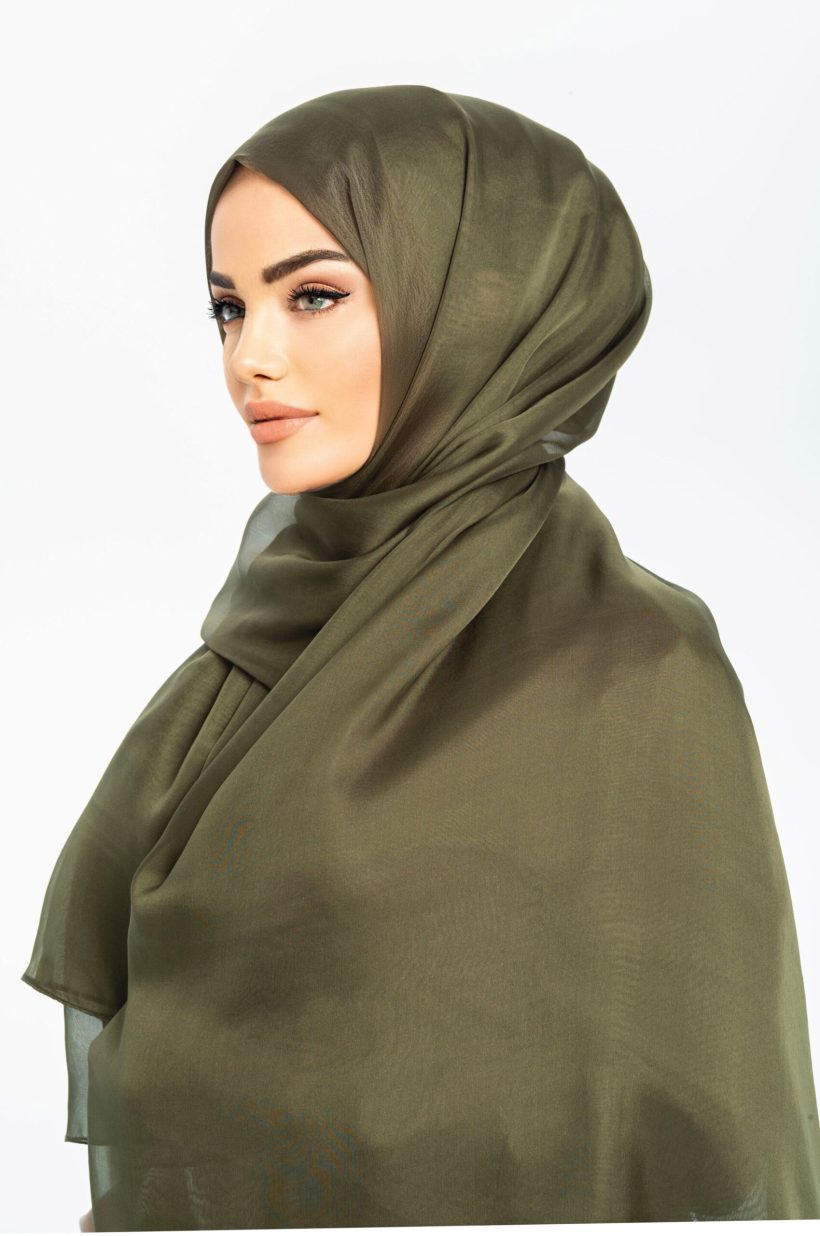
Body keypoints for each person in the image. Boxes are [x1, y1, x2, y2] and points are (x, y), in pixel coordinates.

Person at [21, 84, 820, 1230]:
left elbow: (696, 1120)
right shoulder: (257, 645)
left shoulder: (640, 671)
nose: (251, 357)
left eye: (312, 295)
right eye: (228, 308)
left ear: (480, 305)